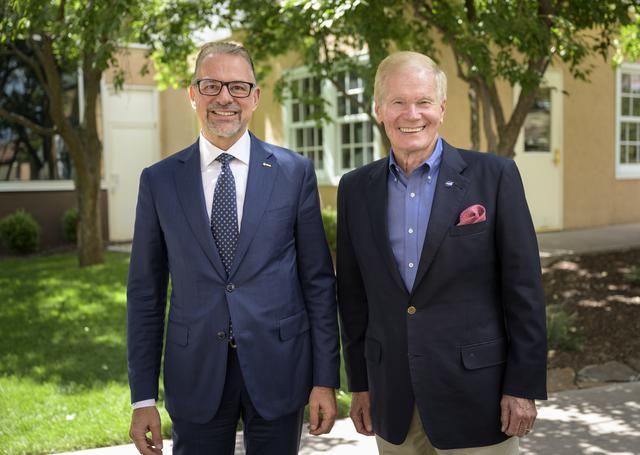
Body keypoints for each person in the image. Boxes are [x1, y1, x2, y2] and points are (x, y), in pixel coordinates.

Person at [126, 41, 339, 455]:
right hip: (195, 373)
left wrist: (325, 379)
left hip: (280, 367)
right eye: (211, 85)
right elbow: (145, 295)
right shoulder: (159, 181)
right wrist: (143, 398)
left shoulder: (294, 172)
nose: (225, 97)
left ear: (255, 97)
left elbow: (317, 282)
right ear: (192, 94)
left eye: (238, 87)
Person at [337, 50, 547, 454]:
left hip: (478, 397)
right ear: (379, 109)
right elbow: (353, 298)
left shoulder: (494, 176)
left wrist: (522, 386)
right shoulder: (355, 189)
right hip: (393, 398)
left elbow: (524, 290)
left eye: (423, 101)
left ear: (442, 108)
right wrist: (360, 383)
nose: (411, 114)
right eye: (398, 102)